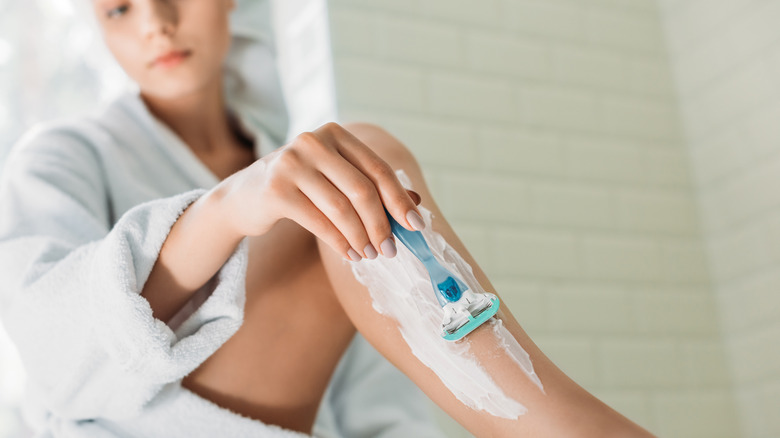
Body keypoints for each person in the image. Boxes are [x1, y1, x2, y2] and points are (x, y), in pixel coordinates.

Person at [0, 0, 656, 437]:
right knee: (356, 167)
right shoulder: (61, 157)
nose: (157, 23)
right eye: (118, 7)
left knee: (349, 181)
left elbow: (377, 386)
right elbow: (53, 351)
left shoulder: (287, 167)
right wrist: (226, 210)